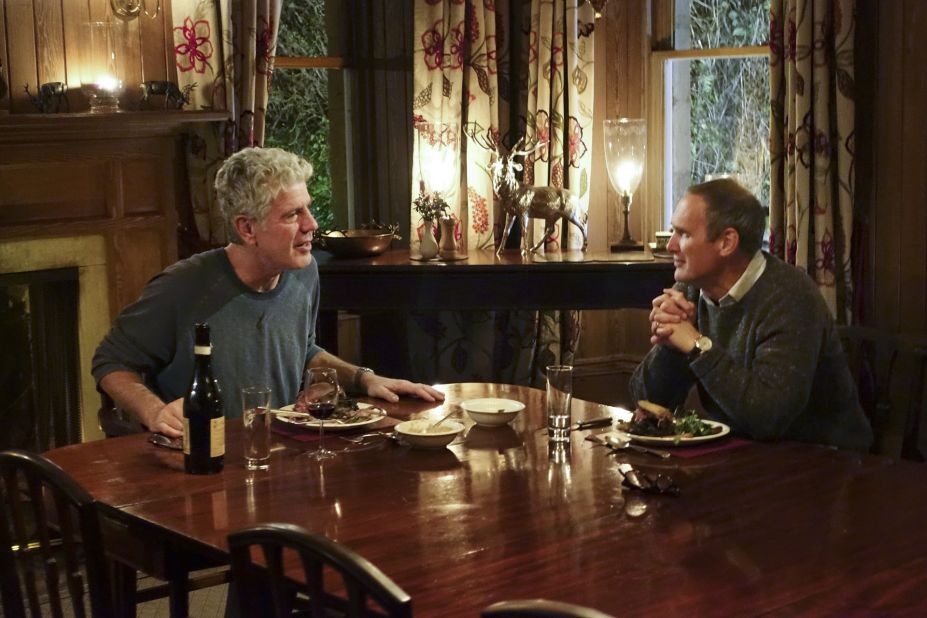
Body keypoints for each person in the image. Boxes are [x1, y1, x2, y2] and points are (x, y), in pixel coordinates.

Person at [93, 147, 444, 438]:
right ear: (247, 228)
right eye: (293, 214)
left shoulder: (304, 272)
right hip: (204, 463)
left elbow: (302, 349)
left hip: (278, 453)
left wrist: (364, 378)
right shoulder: (182, 287)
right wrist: (155, 412)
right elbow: (112, 362)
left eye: (307, 208)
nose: (312, 224)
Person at [629, 178, 872, 451]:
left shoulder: (790, 296)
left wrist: (697, 347)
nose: (670, 245)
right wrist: (671, 347)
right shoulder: (689, 290)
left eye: (683, 234)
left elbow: (769, 418)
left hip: (827, 465)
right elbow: (646, 403)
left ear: (726, 242)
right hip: (744, 456)